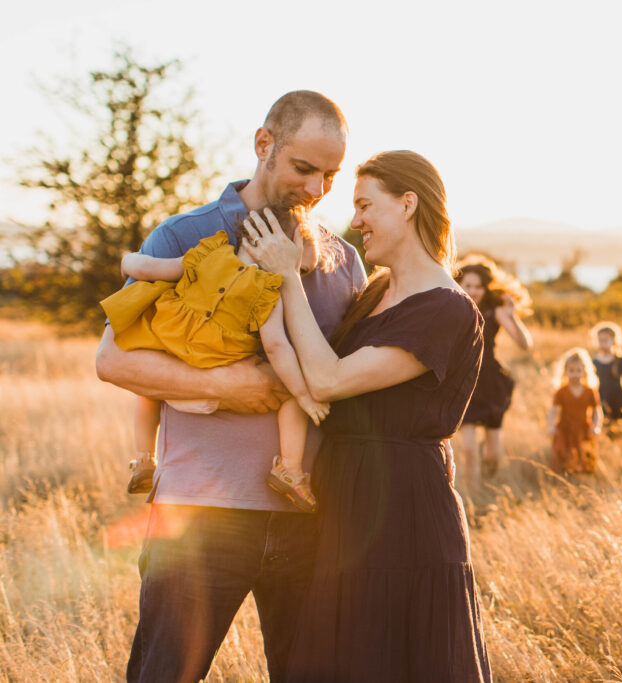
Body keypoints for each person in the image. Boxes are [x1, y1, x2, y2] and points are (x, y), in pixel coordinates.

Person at [95, 91, 366, 683]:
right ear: (263, 145)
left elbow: (354, 383)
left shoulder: (343, 261)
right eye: (304, 168)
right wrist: (232, 386)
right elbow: (112, 360)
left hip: (311, 520)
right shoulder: (184, 235)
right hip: (198, 520)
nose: (317, 188)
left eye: (331, 174)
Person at [243, 149, 491, 681]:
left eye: (364, 205)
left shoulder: (447, 309)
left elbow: (329, 379)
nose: (354, 221)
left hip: (401, 512)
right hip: (342, 501)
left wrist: (285, 273)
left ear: (407, 204)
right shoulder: (376, 290)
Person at [101, 209, 328, 512]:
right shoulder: (267, 289)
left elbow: (149, 268)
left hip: (174, 358)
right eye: (298, 267)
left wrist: (127, 261)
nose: (296, 277)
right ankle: (290, 470)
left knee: (149, 389)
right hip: (218, 372)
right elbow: (276, 346)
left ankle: (144, 459)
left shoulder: (210, 252)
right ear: (276, 249)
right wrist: (303, 394)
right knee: (289, 393)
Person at [455, 255, 533, 485]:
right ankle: (474, 497)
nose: (473, 291)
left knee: (493, 455)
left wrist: (512, 317)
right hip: (464, 383)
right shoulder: (452, 309)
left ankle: (489, 488)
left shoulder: (494, 310)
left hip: (490, 382)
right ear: (459, 285)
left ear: (486, 288)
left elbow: (525, 345)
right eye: (468, 285)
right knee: (468, 451)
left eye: (478, 286)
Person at [547, 347, 603, 474]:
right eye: (571, 371)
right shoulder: (561, 391)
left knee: (585, 455)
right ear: (565, 372)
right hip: (565, 429)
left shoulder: (590, 391)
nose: (575, 374)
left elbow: (597, 411)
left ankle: (582, 481)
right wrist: (551, 426)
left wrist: (596, 426)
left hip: (583, 428)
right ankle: (563, 479)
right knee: (563, 455)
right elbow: (553, 411)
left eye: (578, 371)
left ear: (584, 371)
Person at [590, 321, 622, 428]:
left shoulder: (620, 360)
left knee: (621, 429)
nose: (603, 343)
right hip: (601, 400)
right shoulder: (594, 362)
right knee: (604, 428)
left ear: (614, 341)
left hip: (619, 400)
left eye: (606, 340)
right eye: (600, 340)